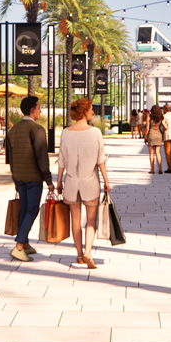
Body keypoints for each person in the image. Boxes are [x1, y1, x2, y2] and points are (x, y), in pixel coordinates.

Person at [56, 97, 110, 269]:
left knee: (75, 220)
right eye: (91, 109)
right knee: (91, 220)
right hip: (90, 182)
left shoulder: (66, 132)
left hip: (71, 182)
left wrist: (58, 182)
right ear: (85, 111)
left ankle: (79, 255)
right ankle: (88, 252)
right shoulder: (95, 133)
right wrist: (107, 181)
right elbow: (101, 160)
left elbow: (61, 160)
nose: (93, 112)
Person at [5, 96, 51, 262]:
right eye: (39, 107)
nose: (40, 110)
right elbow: (42, 158)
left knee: (24, 209)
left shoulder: (13, 130)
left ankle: (24, 243)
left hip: (20, 177)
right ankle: (18, 246)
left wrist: (15, 179)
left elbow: (10, 157)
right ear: (32, 109)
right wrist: (49, 180)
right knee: (32, 210)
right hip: (33, 177)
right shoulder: (37, 130)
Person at [144, 105, 166, 174]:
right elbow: (164, 126)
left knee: (151, 154)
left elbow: (147, 128)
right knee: (158, 153)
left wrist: (145, 137)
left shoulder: (149, 117)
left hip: (151, 135)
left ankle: (152, 170)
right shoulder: (161, 117)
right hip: (158, 135)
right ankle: (159, 169)